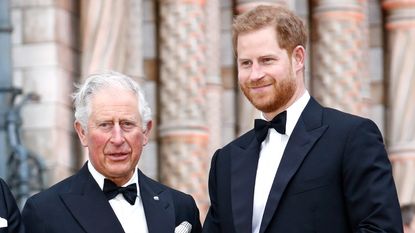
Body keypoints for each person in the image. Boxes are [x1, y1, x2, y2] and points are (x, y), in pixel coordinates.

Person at [203, 5, 402, 233]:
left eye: (267, 60)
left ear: (298, 58)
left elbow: (381, 229)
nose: (255, 74)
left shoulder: (352, 137)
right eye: (246, 63)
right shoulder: (225, 160)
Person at [22, 71, 202, 233]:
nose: (117, 139)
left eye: (127, 124)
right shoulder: (45, 211)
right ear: (82, 132)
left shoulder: (181, 207)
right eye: (105, 125)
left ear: (145, 131)